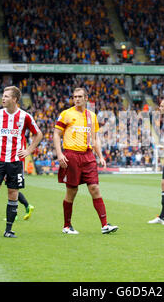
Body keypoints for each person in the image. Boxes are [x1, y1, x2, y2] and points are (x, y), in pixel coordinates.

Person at [0, 86, 43, 238]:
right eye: (3, 96)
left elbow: (38, 134)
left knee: (13, 194)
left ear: (14, 99)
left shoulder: (25, 116)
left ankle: (8, 230)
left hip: (15, 162)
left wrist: (28, 150)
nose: (3, 98)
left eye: (6, 96)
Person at [53, 87, 118, 235]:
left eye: (80, 96)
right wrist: (59, 154)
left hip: (88, 156)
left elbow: (95, 139)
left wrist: (100, 156)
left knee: (95, 188)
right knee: (72, 191)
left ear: (86, 98)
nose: (77, 99)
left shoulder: (92, 116)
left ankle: (105, 225)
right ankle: (67, 226)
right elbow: (56, 135)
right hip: (71, 155)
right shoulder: (66, 114)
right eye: (75, 96)